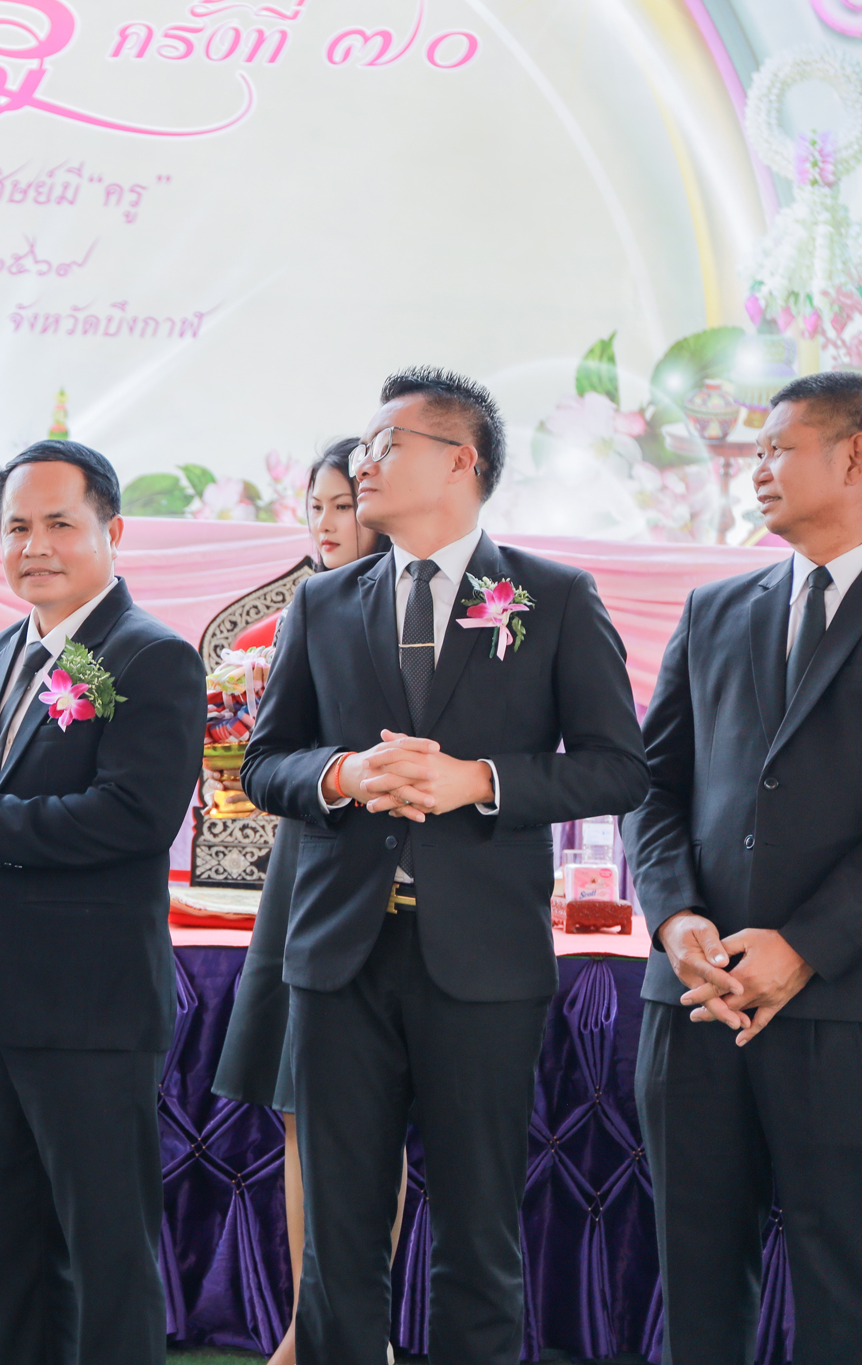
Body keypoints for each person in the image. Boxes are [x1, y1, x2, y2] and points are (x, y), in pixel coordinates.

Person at [241, 367, 647, 1365]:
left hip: (484, 959)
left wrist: (480, 781)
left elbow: (617, 767)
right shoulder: (323, 602)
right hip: (337, 954)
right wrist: (342, 773)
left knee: (477, 1231)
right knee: (337, 1239)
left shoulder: (551, 597)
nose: (364, 462)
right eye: (363, 446)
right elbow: (264, 762)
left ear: (460, 461)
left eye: (387, 444)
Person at [0, 440, 205, 1365]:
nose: (35, 546)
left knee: (107, 1259)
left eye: (60, 523)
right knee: (15, 1255)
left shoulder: (153, 657)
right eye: (17, 526)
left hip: (91, 1007)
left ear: (113, 530)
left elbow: (134, 818)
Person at [624, 371, 862, 1365]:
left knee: (841, 1284)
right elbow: (651, 786)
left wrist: (806, 944)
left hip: (841, 1004)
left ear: (852, 457)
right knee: (696, 1277)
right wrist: (674, 917)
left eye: (777, 448)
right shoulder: (716, 608)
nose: (754, 468)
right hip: (695, 999)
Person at [211, 438, 392, 1365]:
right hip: (305, 875)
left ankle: (356, 1333)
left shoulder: (423, 615)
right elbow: (267, 761)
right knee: (299, 1110)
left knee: (369, 1120)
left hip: (390, 886)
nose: (325, 523)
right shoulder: (308, 611)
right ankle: (305, 1327)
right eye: (315, 506)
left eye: (342, 504)